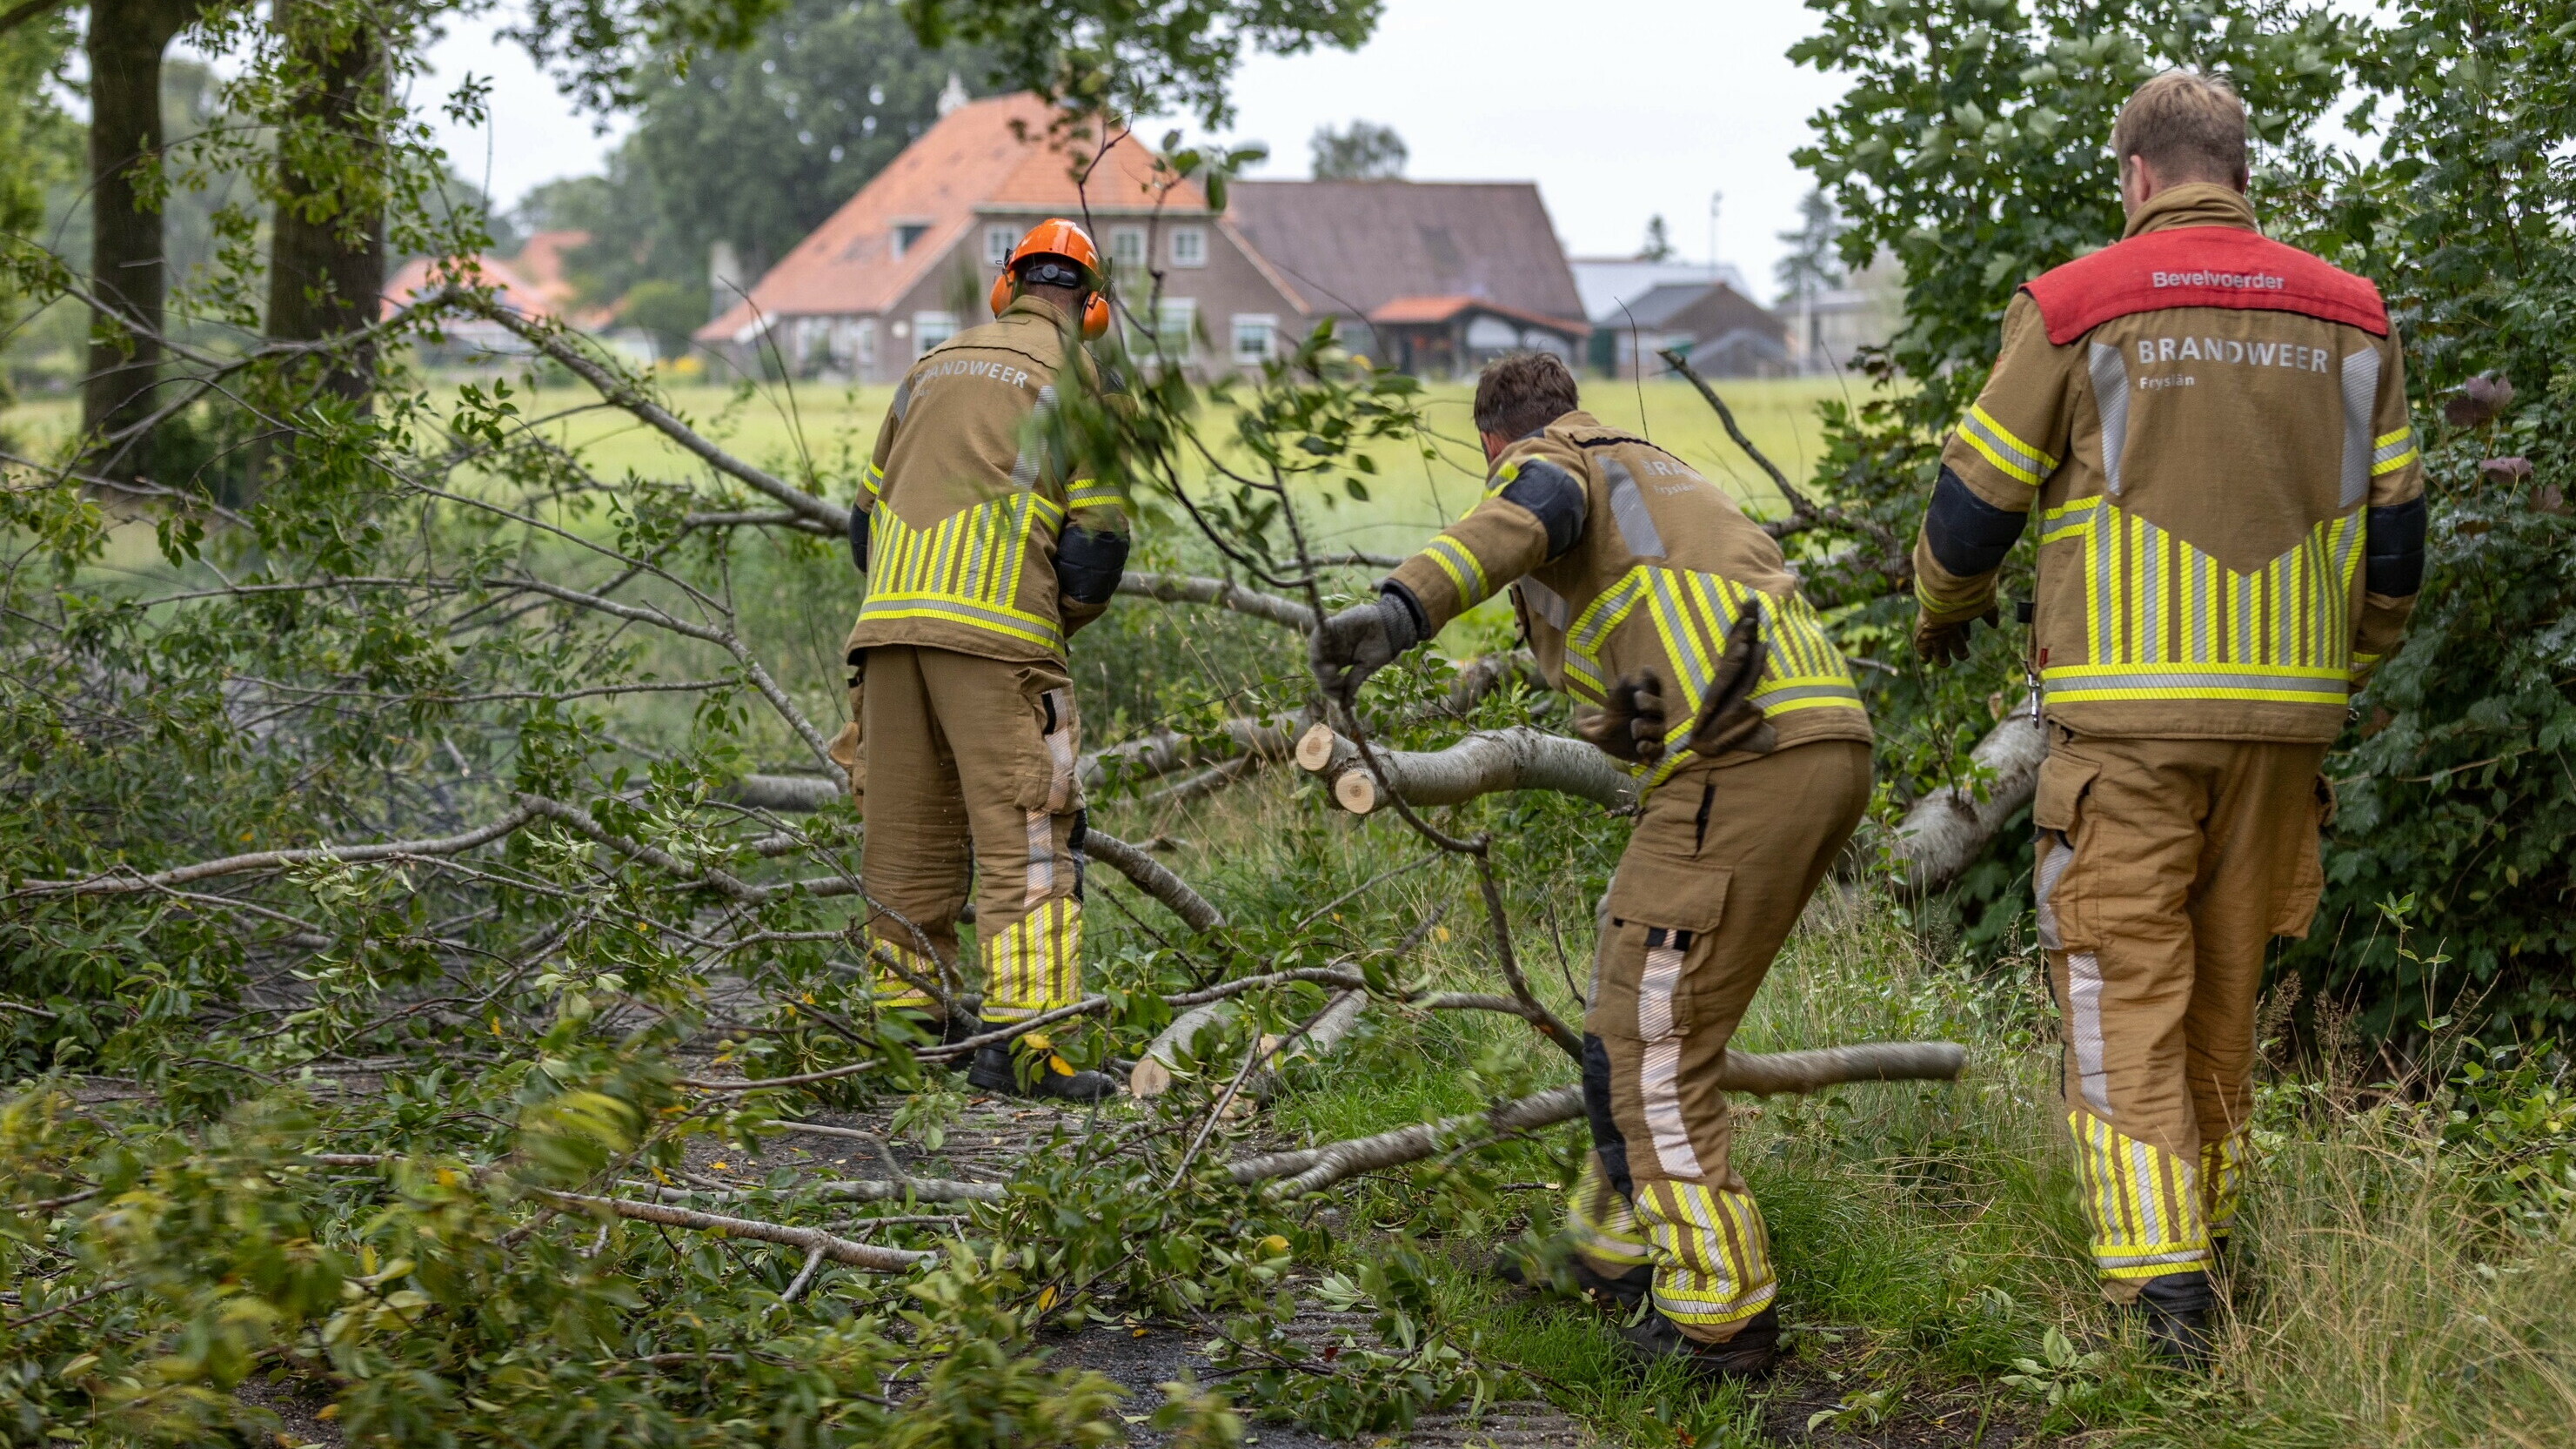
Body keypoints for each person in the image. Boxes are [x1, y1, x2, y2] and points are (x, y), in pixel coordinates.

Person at [1911, 71, 2424, 1361]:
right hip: (2289, 722)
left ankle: (2162, 1302)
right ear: (2236, 169)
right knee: (2221, 1004)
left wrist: (1942, 606)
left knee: (2116, 992)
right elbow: (2400, 551)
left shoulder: (2080, 303)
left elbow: (1967, 517)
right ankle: (2216, 1255)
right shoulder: (2352, 317)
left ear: (2136, 176)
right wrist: (2340, 667)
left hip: (2127, 729)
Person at [1310, 352, 1875, 1380]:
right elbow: (1642, 675)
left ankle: (1717, 1318)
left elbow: (1529, 513)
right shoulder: (1657, 473)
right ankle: (1616, 1251)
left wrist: (1399, 612)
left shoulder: (1554, 463)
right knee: (1632, 1003)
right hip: (1814, 741)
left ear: (1498, 443)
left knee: (1653, 1040)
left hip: (1742, 759)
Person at [833, 218, 1131, 1102]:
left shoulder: (927, 367)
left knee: (905, 838)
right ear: (1093, 312)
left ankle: (907, 1028)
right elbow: (1094, 555)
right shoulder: (1084, 386)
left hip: (886, 633)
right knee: (1029, 838)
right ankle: (1030, 1043)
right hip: (999, 638)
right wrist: (1048, 625)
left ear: (1005, 289)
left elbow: (862, 527)